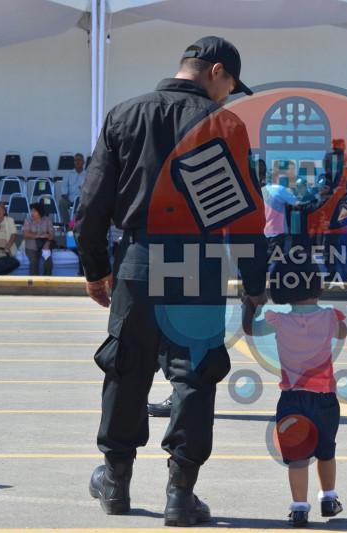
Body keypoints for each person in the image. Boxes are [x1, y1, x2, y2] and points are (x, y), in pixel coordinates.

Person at [76, 36, 267, 526]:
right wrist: (254, 280)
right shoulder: (224, 124)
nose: (229, 96)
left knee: (127, 366)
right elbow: (245, 214)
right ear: (216, 71)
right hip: (198, 261)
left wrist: (96, 269)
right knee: (194, 373)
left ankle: (115, 481)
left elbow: (92, 205)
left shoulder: (125, 114)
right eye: (230, 86)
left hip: (140, 257)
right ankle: (181, 494)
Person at [242, 255, 345, 527]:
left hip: (292, 398)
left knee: (298, 457)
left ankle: (299, 507)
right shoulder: (331, 316)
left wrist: (250, 304)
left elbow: (250, 329)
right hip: (325, 398)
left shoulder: (277, 320)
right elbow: (343, 332)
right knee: (326, 450)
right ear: (318, 284)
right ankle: (328, 497)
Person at [23, 203, 54, 276]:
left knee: (48, 262)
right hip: (31, 246)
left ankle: (47, 280)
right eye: (31, 211)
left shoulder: (47, 220)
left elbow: (51, 235)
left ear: (39, 211)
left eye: (34, 211)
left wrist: (47, 244)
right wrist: (40, 236)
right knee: (34, 262)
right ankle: (34, 282)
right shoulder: (28, 220)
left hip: (44, 245)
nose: (32, 213)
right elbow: (26, 234)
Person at [60, 153, 86, 222]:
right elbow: (64, 190)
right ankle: (67, 225)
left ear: (83, 162)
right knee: (62, 203)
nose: (77, 162)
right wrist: (66, 197)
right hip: (70, 199)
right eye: (75, 160)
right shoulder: (68, 174)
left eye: (79, 160)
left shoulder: (87, 175)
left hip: (83, 200)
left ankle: (84, 226)